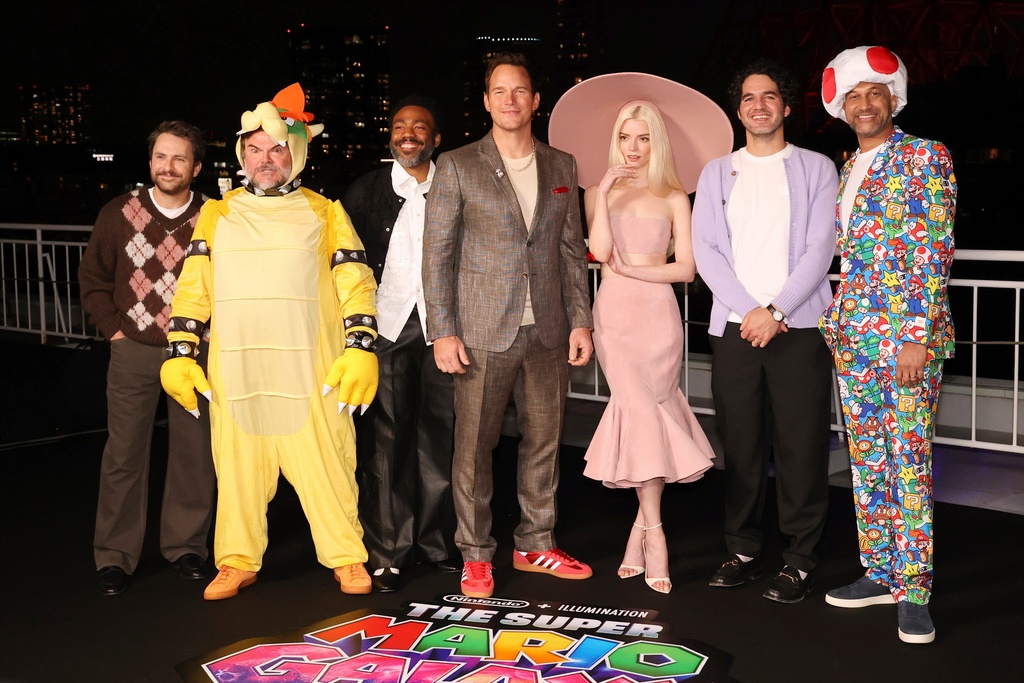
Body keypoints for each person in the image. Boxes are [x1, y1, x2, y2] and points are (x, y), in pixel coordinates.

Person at [160, 84, 378, 600]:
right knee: (237, 471)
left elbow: (355, 283)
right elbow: (193, 289)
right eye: (254, 149)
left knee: (329, 467)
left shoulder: (325, 212)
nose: (265, 159)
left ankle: (346, 556)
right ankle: (236, 560)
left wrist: (360, 347)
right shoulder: (218, 214)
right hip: (239, 375)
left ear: (296, 153)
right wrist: (180, 354)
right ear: (242, 156)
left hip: (311, 374)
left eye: (276, 149)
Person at [422, 53, 594, 599]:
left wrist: (581, 321)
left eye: (520, 90)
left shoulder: (562, 165)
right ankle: (475, 554)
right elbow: (438, 255)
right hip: (480, 332)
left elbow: (571, 252)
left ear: (535, 100)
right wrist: (443, 330)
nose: (510, 100)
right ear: (486, 101)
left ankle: (535, 542)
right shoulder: (457, 164)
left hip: (548, 329)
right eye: (500, 91)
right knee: (474, 447)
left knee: (544, 441)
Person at [819, 46, 956, 644]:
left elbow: (934, 248)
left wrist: (916, 337)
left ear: (893, 99)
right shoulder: (850, 166)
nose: (865, 104)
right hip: (854, 341)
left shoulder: (926, 155)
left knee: (909, 463)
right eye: (854, 96)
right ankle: (879, 572)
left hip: (905, 344)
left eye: (875, 92)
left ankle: (915, 592)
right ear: (843, 108)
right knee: (869, 462)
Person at [691, 59, 838, 604]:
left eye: (770, 96)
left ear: (787, 105)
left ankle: (800, 559)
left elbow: (820, 249)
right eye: (749, 97)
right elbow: (706, 251)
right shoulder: (715, 173)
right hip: (734, 330)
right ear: (739, 110)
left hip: (799, 329)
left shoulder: (817, 168)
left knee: (801, 446)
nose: (759, 105)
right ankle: (743, 550)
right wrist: (751, 311)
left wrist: (776, 311)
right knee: (741, 445)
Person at [79, 120, 215, 596]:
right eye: (161, 156)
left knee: (195, 452)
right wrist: (116, 333)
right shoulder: (118, 212)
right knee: (123, 453)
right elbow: (93, 279)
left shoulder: (215, 217)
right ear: (150, 161)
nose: (168, 166)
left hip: (193, 352)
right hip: (133, 348)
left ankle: (187, 545)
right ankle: (114, 555)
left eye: (179, 158)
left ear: (196, 167)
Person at [344, 96, 460, 593]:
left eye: (419, 126)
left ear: (437, 139)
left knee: (439, 435)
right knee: (386, 442)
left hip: (443, 327)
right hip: (387, 326)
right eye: (399, 126)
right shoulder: (366, 190)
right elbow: (342, 260)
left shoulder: (454, 184)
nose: (407, 133)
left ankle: (435, 542)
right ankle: (389, 551)